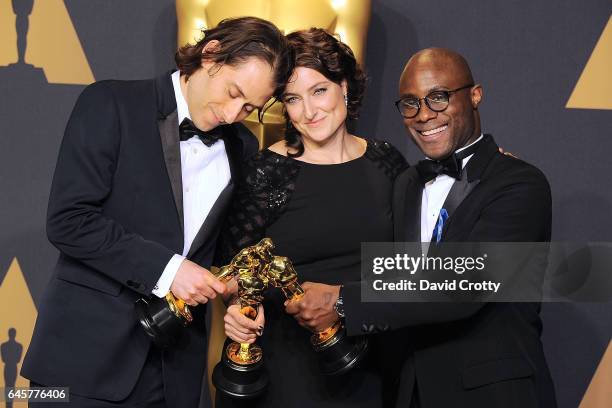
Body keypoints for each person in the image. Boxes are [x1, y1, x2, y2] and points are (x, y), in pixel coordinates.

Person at [21, 17, 293, 408]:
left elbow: (224, 253)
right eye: (233, 93)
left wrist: (236, 301)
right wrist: (170, 271)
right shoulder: (111, 103)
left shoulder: (242, 147)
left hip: (174, 373)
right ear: (210, 53)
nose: (234, 114)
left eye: (249, 107)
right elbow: (69, 220)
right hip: (84, 360)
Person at [294, 47, 557, 407]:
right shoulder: (407, 184)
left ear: (475, 95)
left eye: (438, 97)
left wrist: (342, 300)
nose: (424, 115)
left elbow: (467, 281)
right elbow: (392, 272)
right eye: (410, 103)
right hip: (410, 392)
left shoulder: (519, 184)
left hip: (493, 393)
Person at [217, 28, 407, 407]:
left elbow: (411, 261)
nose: (309, 111)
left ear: (345, 85)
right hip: (287, 372)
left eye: (319, 90)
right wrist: (239, 309)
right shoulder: (267, 171)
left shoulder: (386, 161)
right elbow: (233, 270)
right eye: (292, 99)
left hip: (371, 365)